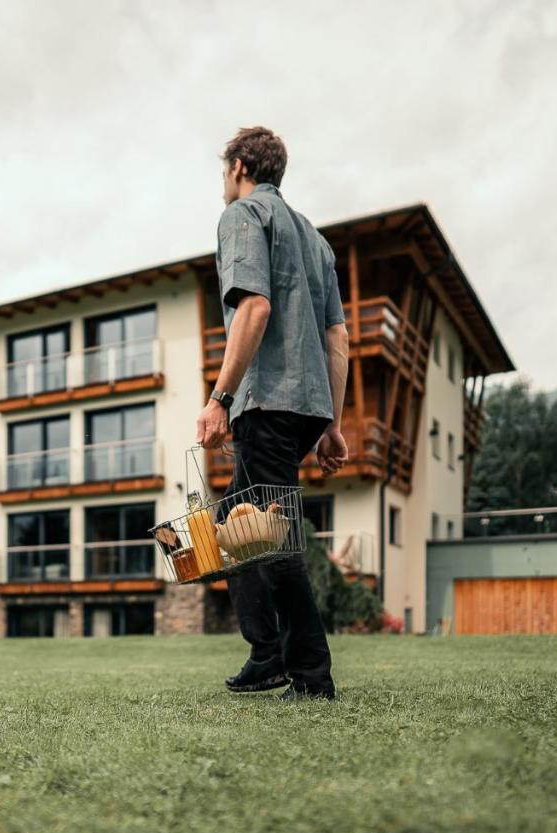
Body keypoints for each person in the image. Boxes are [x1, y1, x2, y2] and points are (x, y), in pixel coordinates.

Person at [195, 126, 350, 701]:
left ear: (238, 166)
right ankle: (267, 654)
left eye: (223, 169)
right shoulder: (315, 238)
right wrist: (330, 423)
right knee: (234, 532)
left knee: (269, 538)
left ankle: (311, 675)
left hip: (269, 402)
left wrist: (218, 398)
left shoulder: (243, 216)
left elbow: (254, 308)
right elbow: (338, 337)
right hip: (307, 405)